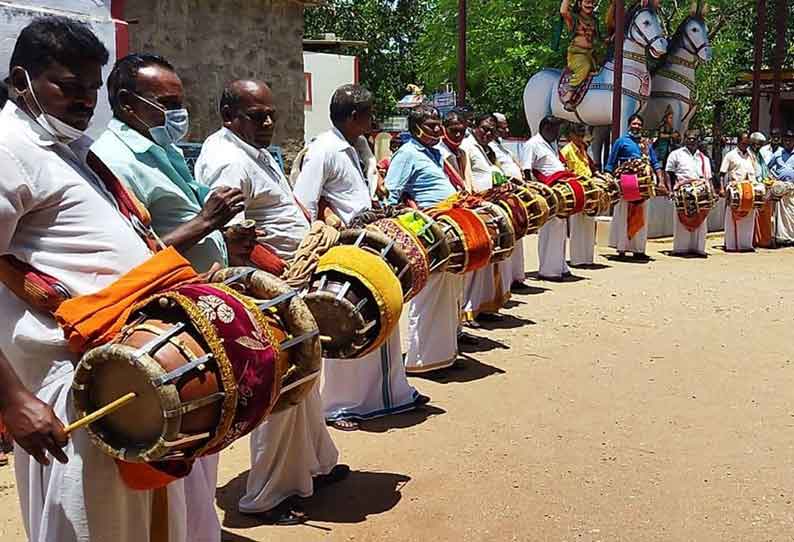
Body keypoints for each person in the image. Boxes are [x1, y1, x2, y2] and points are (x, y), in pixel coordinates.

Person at [0, 16, 189, 542]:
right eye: (70, 85)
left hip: (129, 368)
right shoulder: (7, 149)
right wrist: (14, 399)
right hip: (72, 386)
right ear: (22, 82)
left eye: (91, 88)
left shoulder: (66, 148)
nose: (86, 100)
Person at [91, 52, 247, 542]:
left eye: (180, 102)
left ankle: (200, 531)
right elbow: (132, 251)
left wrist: (226, 241)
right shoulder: (113, 160)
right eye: (167, 104)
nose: (178, 114)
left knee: (207, 436)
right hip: (163, 323)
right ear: (127, 104)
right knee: (183, 442)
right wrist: (207, 222)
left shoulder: (161, 148)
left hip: (199, 307)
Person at [194, 79, 348, 524]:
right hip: (271, 290)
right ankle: (269, 493)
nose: (266, 122)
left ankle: (315, 464)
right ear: (229, 117)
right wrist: (285, 275)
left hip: (291, 280)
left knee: (305, 381)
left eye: (270, 115)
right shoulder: (227, 159)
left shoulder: (253, 151)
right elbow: (236, 241)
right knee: (283, 387)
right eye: (255, 115)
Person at [294, 84, 427, 430]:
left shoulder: (359, 146)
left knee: (385, 312)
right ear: (354, 117)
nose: (373, 122)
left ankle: (393, 394)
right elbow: (305, 202)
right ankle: (341, 405)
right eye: (369, 115)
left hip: (369, 242)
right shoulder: (323, 149)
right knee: (347, 320)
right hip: (344, 248)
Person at [385, 105, 460, 373]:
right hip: (428, 230)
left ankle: (443, 355)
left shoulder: (436, 153)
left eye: (438, 124)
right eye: (431, 125)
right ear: (415, 127)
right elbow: (391, 197)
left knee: (447, 293)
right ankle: (421, 359)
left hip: (448, 228)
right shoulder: (406, 154)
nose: (438, 130)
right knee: (429, 294)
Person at [460, 113, 511, 322]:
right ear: (474, 126)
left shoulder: (485, 148)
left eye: (491, 130)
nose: (488, 134)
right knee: (475, 259)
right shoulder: (466, 146)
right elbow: (465, 177)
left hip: (488, 206)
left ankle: (483, 306)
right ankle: (467, 310)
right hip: (473, 207)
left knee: (489, 260)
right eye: (484, 129)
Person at [605, 114, 665, 260]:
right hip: (627, 183)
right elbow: (611, 163)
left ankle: (639, 250)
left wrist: (661, 181)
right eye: (634, 123)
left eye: (639, 124)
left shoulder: (646, 144)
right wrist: (608, 179)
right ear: (629, 124)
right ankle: (622, 249)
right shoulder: (621, 142)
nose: (637, 126)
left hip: (644, 184)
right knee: (624, 214)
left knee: (642, 214)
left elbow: (655, 163)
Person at [521, 115, 571, 279]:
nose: (558, 133)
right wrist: (536, 194)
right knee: (550, 229)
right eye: (556, 130)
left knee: (560, 228)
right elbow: (527, 170)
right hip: (547, 192)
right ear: (547, 129)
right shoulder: (532, 144)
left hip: (560, 191)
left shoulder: (552, 144)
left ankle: (560, 265)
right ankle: (549, 270)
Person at [491, 112, 529, 289]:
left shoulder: (501, 145)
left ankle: (516, 276)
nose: (506, 129)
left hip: (513, 194)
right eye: (502, 126)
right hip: (501, 197)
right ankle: (506, 282)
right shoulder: (488, 147)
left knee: (517, 236)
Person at [665, 130, 713, 256]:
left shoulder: (704, 158)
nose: (692, 141)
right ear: (684, 139)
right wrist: (670, 190)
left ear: (698, 141)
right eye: (689, 138)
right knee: (682, 219)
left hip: (700, 192)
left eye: (695, 138)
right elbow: (669, 173)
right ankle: (681, 249)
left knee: (701, 220)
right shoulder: (675, 154)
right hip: (683, 192)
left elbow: (708, 178)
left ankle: (698, 248)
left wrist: (712, 192)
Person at [560, 123, 597, 266]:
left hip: (589, 189)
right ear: (571, 135)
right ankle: (577, 259)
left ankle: (588, 257)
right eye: (579, 134)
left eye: (583, 134)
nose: (582, 137)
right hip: (577, 190)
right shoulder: (566, 151)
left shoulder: (584, 149)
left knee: (588, 223)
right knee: (576, 224)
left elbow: (591, 167)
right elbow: (564, 171)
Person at [720, 132, 758, 252]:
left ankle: (746, 244)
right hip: (735, 190)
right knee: (731, 217)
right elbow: (722, 173)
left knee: (749, 217)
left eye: (747, 144)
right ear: (738, 142)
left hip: (749, 191)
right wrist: (721, 188)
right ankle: (731, 244)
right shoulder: (730, 155)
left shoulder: (751, 156)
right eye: (743, 143)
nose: (745, 145)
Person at [768, 129, 794, 246]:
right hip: (780, 188)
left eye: (790, 140)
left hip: (793, 188)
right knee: (780, 214)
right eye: (786, 140)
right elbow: (767, 167)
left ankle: (792, 237)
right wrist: (772, 179)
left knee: (792, 213)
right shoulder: (778, 154)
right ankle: (782, 238)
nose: (788, 142)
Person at [437, 108, 474, 192]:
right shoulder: (438, 154)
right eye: (454, 130)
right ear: (443, 130)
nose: (458, 135)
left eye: (462, 131)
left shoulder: (463, 153)